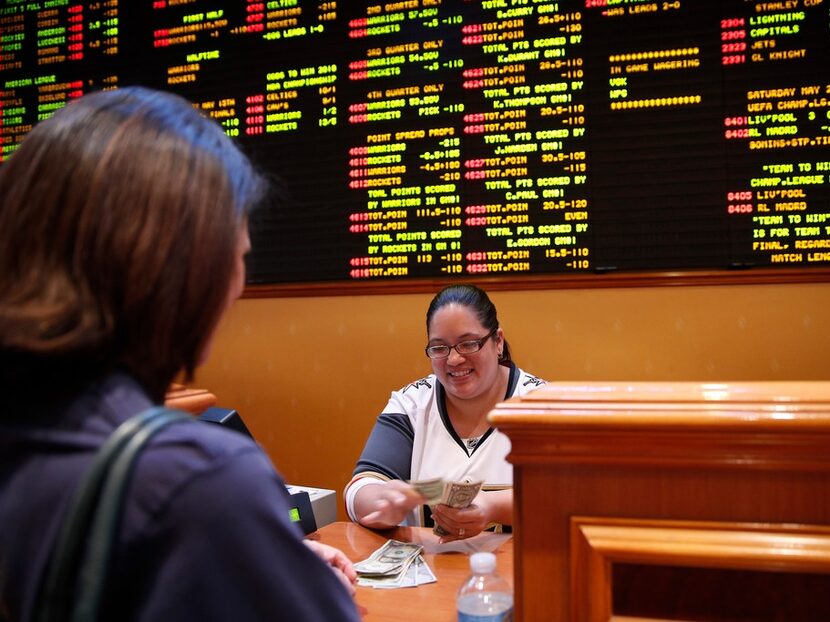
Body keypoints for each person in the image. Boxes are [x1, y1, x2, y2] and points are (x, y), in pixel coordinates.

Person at [0, 87, 360, 621]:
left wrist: (246, 558)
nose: (238, 285)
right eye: (235, 257)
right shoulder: (196, 481)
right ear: (186, 269)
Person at [344, 284, 546, 541]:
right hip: (432, 574)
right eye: (439, 348)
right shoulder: (411, 405)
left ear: (498, 342)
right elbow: (359, 488)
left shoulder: (542, 404)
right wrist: (383, 501)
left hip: (524, 571)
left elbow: (571, 495)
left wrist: (493, 506)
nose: (453, 360)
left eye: (468, 344)